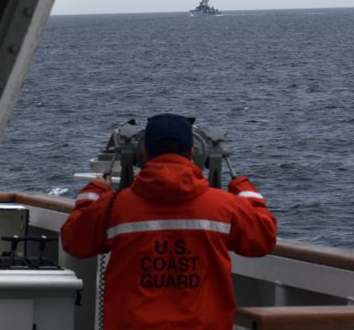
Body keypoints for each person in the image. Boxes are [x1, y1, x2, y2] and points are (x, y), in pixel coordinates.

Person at [61, 114, 277, 330]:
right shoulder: (224, 207)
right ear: (193, 153)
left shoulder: (114, 207)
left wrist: (95, 191)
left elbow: (74, 241)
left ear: (144, 154)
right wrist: (244, 189)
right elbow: (262, 239)